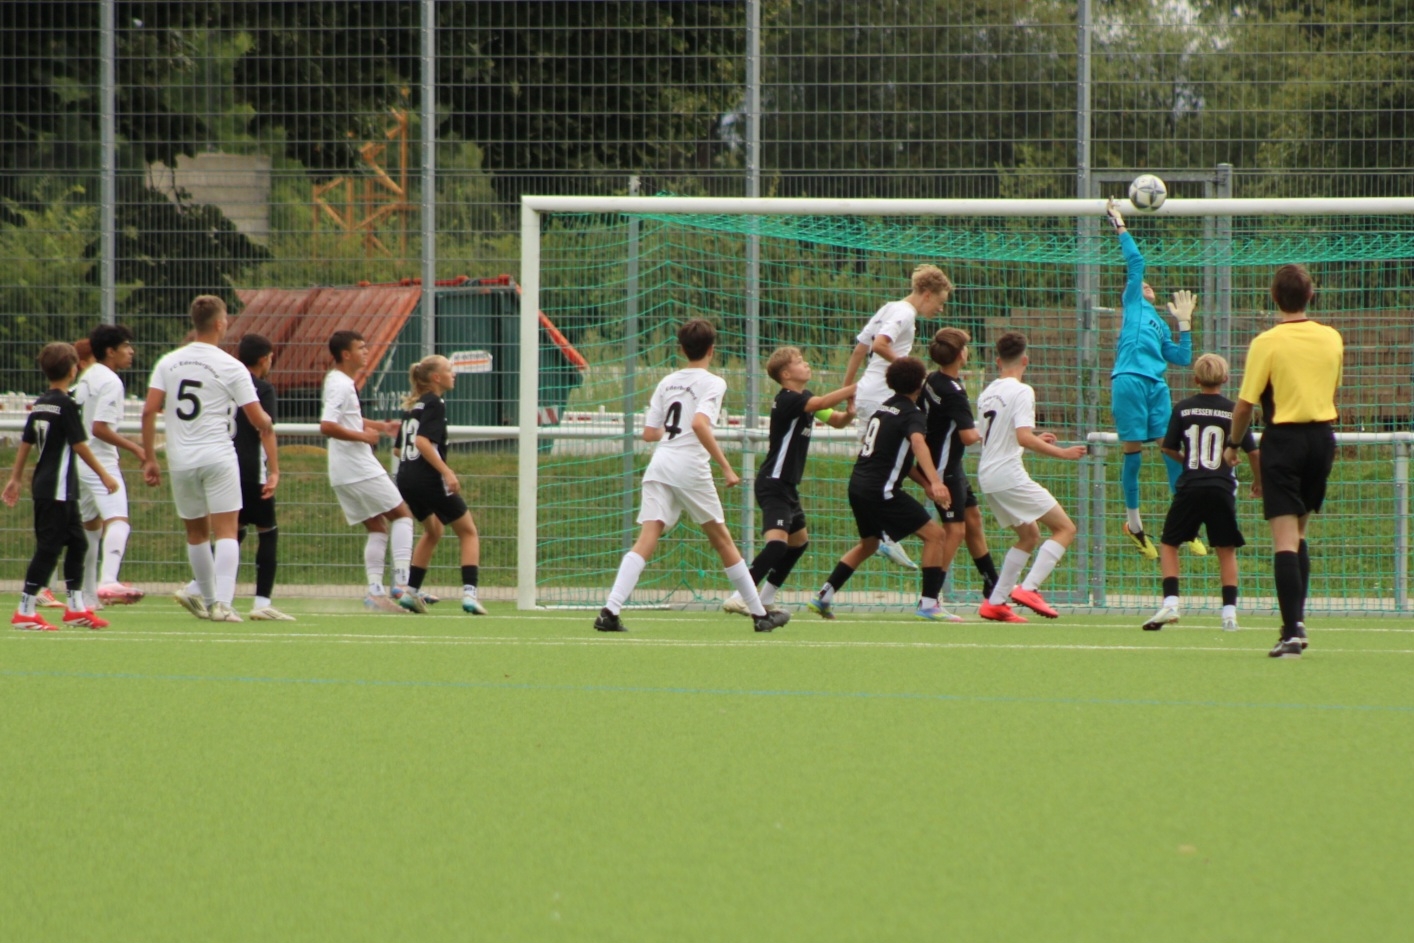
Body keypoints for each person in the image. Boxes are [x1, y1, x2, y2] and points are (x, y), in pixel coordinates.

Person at [595, 319, 790, 634]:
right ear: (712, 349)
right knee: (722, 539)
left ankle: (610, 611)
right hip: (688, 466)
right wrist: (726, 466)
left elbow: (649, 433)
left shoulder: (667, 382)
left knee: (647, 536)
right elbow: (700, 424)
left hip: (661, 463)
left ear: (682, 349)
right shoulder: (713, 382)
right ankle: (759, 615)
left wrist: (675, 428)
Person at [1223, 264, 1342, 658]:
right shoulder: (1331, 338)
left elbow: (1244, 405)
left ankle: (1291, 633)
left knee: (1285, 540)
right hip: (1321, 440)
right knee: (1300, 534)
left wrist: (1233, 444)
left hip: (1284, 441)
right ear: (1311, 295)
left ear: (1274, 298)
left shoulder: (1267, 342)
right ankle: (1298, 623)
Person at [142, 295, 273, 624]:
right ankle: (223, 604)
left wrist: (149, 458)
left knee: (196, 534)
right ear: (218, 323)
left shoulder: (168, 362)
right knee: (227, 531)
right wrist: (268, 425)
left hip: (181, 459)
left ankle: (210, 600)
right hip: (217, 455)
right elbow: (257, 417)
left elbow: (149, 410)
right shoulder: (231, 366)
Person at [808, 356, 954, 621]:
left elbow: (898, 460)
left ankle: (823, 596)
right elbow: (918, 444)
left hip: (858, 486)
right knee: (936, 535)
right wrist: (936, 481)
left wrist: (925, 484)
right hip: (881, 491)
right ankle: (929, 604)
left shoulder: (883, 409)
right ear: (920, 384)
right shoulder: (913, 415)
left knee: (869, 544)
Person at [720, 346, 855, 614]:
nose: (806, 365)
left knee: (798, 543)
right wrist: (857, 386)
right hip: (774, 482)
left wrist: (850, 412)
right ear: (786, 374)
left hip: (787, 484)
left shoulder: (805, 398)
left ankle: (766, 598)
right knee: (777, 545)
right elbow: (821, 404)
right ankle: (740, 596)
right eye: (799, 362)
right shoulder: (788, 399)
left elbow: (837, 420)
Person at [1105, 198, 1200, 559]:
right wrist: (1119, 224)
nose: (1144, 285)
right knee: (1133, 453)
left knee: (1171, 451)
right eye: (1139, 283)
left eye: (1147, 285)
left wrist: (1184, 324)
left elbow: (1182, 357)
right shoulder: (1133, 302)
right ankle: (1134, 524)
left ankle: (1184, 524)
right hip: (1129, 379)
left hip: (1157, 387)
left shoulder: (1159, 323)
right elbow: (1136, 263)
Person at [843, 263, 954, 570]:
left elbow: (860, 349)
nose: (940, 309)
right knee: (885, 462)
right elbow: (880, 345)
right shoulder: (905, 313)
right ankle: (886, 536)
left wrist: (848, 388)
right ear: (927, 294)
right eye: (940, 302)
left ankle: (882, 533)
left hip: (868, 391)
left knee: (878, 461)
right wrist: (911, 369)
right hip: (881, 394)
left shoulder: (889, 307)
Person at [175, 333, 293, 621]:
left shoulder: (221, 380)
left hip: (217, 463)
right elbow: (265, 429)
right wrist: (274, 471)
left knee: (233, 531)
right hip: (249, 468)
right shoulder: (260, 388)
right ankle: (261, 602)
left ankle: (196, 587)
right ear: (264, 359)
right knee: (267, 530)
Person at [3, 343, 121, 629]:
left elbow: (26, 442)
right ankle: (25, 610)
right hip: (56, 487)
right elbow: (80, 445)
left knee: (78, 543)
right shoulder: (67, 405)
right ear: (73, 369)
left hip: (53, 486)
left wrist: (16, 478)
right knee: (49, 548)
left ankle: (76, 607)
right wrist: (105, 475)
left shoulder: (42, 402)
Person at [1142, 354, 1261, 633]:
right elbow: (1254, 452)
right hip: (1222, 486)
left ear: (1195, 378)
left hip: (1191, 485)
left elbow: (1168, 447)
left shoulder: (1183, 408)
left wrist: (1189, 461)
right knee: (1226, 549)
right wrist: (1259, 481)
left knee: (1170, 543)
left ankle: (1171, 603)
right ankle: (1229, 614)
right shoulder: (1234, 411)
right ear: (1226, 378)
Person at [975, 332, 1087, 623]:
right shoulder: (1023, 391)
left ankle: (995, 602)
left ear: (998, 361)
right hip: (1008, 474)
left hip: (988, 475)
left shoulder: (987, 392)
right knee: (1065, 529)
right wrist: (1062, 453)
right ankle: (1029, 589)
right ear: (1025, 360)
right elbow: (1022, 437)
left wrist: (1037, 438)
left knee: (1029, 536)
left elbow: (996, 436)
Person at [319, 330, 418, 613]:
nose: (366, 352)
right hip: (357, 467)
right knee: (402, 515)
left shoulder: (338, 381)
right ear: (346, 354)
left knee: (377, 527)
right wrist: (364, 437)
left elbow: (348, 418)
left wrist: (380, 427)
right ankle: (402, 585)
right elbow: (327, 425)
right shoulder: (341, 384)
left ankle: (375, 593)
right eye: (361, 348)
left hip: (342, 471)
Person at [394, 355, 489, 615]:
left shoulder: (412, 406)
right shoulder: (434, 403)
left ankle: (410, 592)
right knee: (468, 532)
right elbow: (422, 442)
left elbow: (397, 449)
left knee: (434, 531)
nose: (453, 374)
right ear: (436, 378)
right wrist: (446, 472)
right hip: (427, 480)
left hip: (405, 479)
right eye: (449, 369)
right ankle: (470, 595)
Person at [921, 327, 1001, 616]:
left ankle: (992, 585)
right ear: (959, 355)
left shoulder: (933, 379)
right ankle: (929, 599)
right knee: (954, 530)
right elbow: (968, 436)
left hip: (949, 465)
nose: (968, 350)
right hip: (943, 469)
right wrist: (995, 430)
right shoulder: (953, 392)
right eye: (965, 347)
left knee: (973, 519)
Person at [71, 324, 146, 608]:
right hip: (99, 461)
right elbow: (99, 428)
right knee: (118, 521)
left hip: (79, 462)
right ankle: (109, 580)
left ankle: (88, 598)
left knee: (91, 530)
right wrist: (135, 447)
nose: (131, 351)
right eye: (126, 346)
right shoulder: (111, 381)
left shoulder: (87, 377)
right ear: (110, 351)